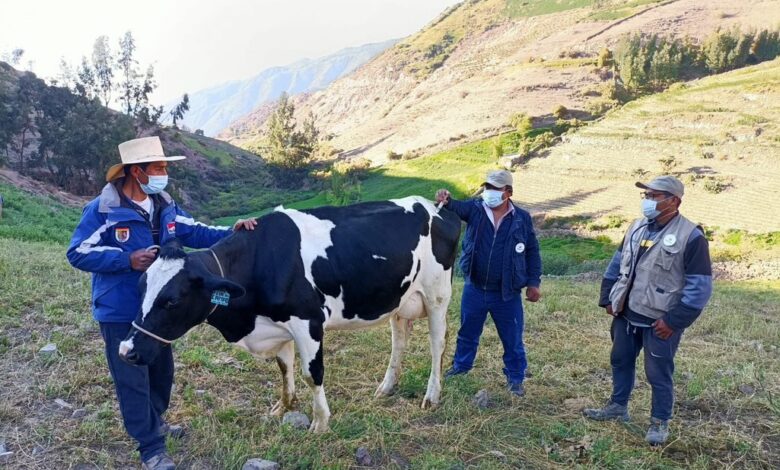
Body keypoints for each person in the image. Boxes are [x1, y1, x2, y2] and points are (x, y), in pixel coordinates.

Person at [66, 136, 256, 470]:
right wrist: (128, 259)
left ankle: (156, 420)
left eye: (165, 167)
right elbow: (77, 252)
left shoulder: (164, 204)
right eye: (158, 167)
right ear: (136, 171)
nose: (164, 173)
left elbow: (194, 231)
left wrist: (231, 229)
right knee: (132, 378)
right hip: (121, 309)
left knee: (161, 371)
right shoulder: (103, 210)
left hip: (160, 308)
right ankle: (151, 447)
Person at [583, 175, 712, 446]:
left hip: (660, 321)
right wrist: (608, 298)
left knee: (658, 373)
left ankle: (659, 422)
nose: (648, 201)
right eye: (647, 196)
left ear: (674, 201)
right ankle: (617, 407)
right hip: (625, 314)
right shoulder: (637, 226)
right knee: (620, 360)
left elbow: (699, 288)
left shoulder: (691, 236)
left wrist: (675, 321)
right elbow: (617, 263)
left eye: (654, 196)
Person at [435, 169, 542, 397]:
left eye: (494, 189)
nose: (489, 192)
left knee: (512, 338)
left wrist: (533, 283)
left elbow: (532, 250)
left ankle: (515, 378)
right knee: (467, 333)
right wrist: (446, 198)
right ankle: (461, 368)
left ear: (508, 192)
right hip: (475, 287)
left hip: (507, 293)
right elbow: (455, 206)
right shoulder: (476, 209)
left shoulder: (521, 218)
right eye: (487, 188)